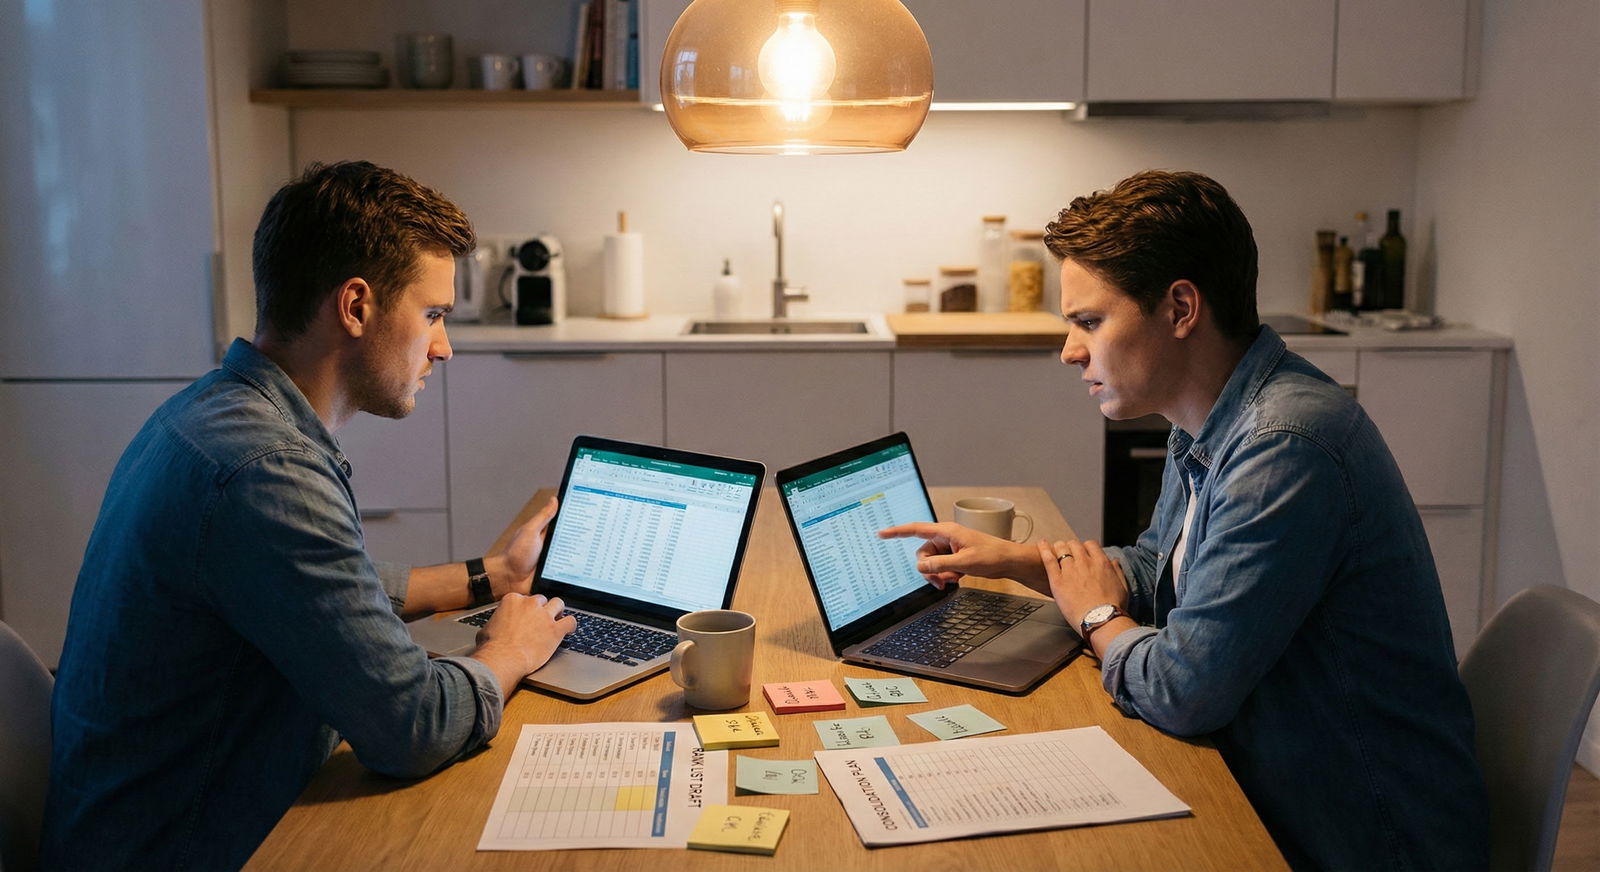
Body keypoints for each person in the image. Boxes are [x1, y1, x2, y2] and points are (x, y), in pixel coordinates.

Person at [882, 170, 1488, 870]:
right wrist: (1024, 562)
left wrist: (1095, 621)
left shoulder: (1283, 449)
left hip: (1363, 836)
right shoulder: (1209, 419)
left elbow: (1184, 690)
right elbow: (1157, 569)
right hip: (1282, 787)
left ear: (1179, 308)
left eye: (1089, 322)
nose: (1070, 351)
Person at [43, 161, 577, 870]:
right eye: (433, 315)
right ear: (356, 307)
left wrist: (496, 576)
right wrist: (507, 652)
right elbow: (412, 726)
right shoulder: (265, 468)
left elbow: (321, 588)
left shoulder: (206, 412)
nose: (443, 347)